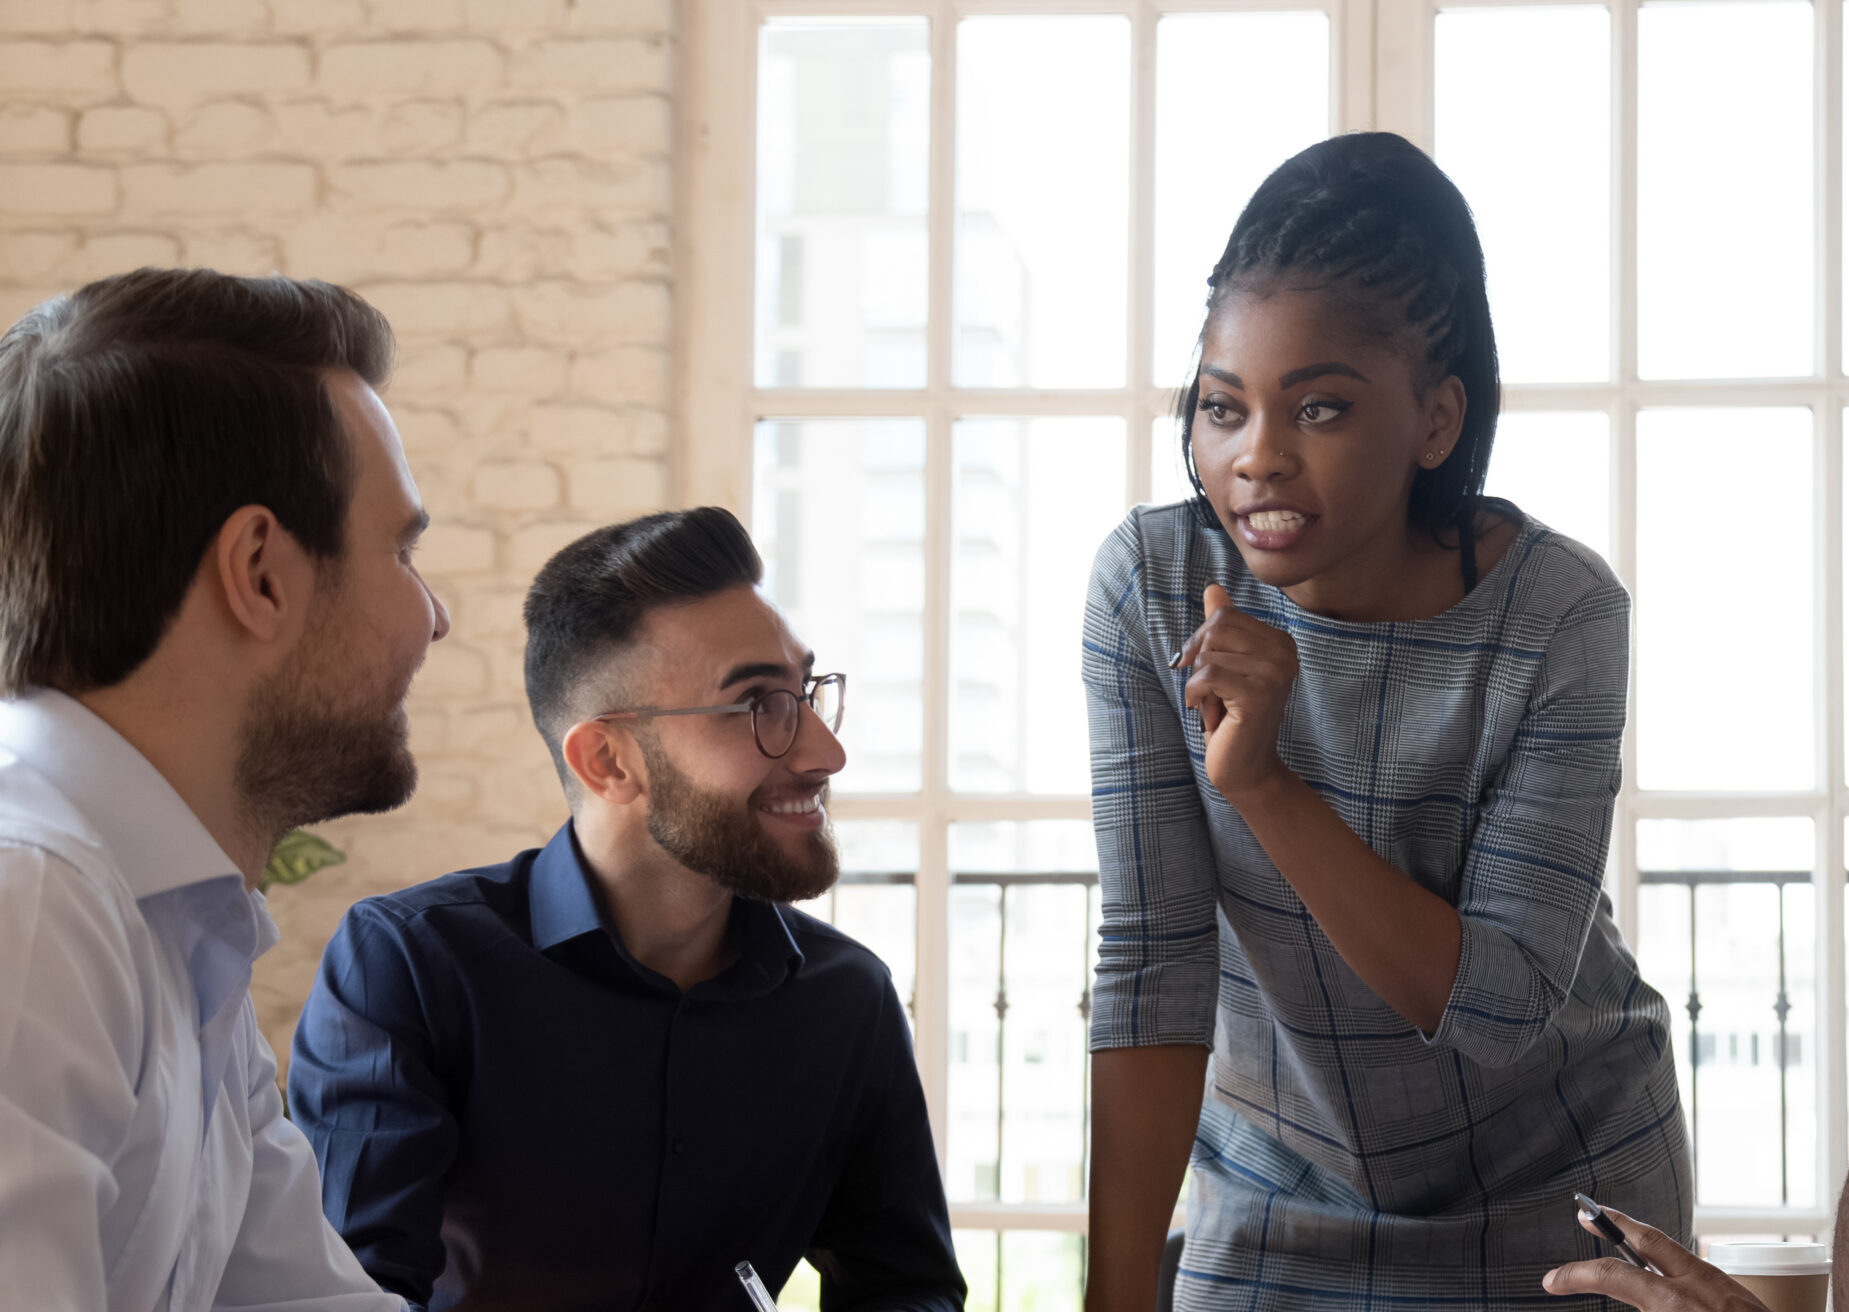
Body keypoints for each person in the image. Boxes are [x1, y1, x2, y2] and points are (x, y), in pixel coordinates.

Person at [1081, 132, 1690, 1310]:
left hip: (1562, 1190)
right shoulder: (1147, 585)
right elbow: (1151, 962)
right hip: (1274, 1188)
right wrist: (1115, 1298)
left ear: (1434, 420)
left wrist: (1262, 784)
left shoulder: (1558, 614)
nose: (1255, 456)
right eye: (1221, 406)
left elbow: (1499, 1008)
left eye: (1318, 407)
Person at [288, 508, 966, 1312]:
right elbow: (350, 1292)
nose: (825, 751)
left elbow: (906, 1293)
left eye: (805, 693)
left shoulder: (847, 999)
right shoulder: (410, 966)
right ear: (608, 760)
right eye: (758, 704)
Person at [0, 268, 448, 1310]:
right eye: (401, 550)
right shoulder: (31, 905)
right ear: (260, 571)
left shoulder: (172, 918)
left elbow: (302, 1298)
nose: (432, 617)